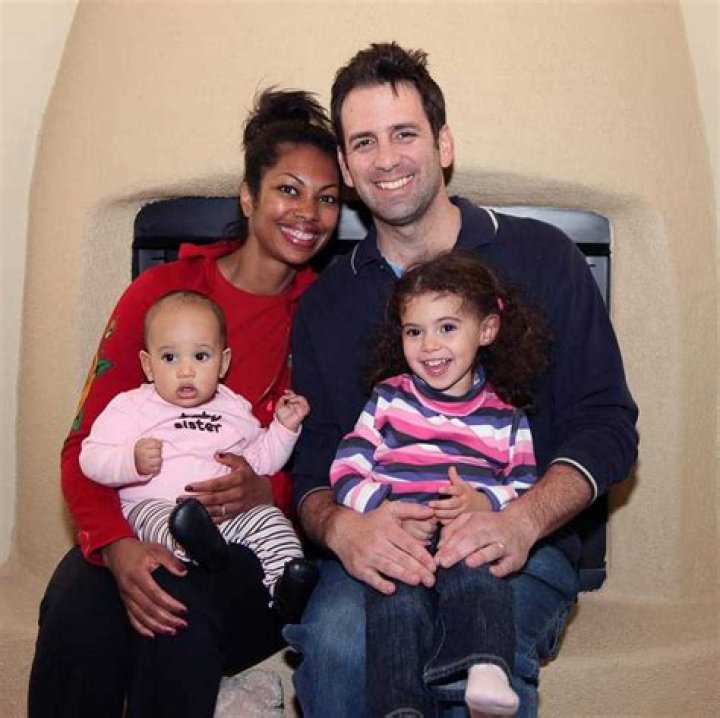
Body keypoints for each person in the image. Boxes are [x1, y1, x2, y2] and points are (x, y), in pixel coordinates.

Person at [284, 42, 639, 717]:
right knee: (338, 650)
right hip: (380, 540)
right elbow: (313, 460)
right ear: (347, 170)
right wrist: (342, 528)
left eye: (404, 133)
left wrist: (522, 519)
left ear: (443, 144)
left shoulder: (544, 257)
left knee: (474, 664)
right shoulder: (328, 302)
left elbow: (608, 424)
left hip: (516, 538)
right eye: (363, 142)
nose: (386, 159)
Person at [28, 88, 340, 718]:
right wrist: (116, 545)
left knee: (180, 610)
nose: (308, 212)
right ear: (248, 197)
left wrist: (267, 489)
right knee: (76, 606)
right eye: (288, 189)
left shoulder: (326, 314)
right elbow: (86, 445)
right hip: (143, 514)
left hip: (253, 545)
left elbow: (336, 459)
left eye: (328, 198)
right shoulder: (162, 293)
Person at [330, 252, 551, 716]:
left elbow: (524, 484)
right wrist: (382, 508)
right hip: (400, 540)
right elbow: (347, 467)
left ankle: (485, 670)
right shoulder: (389, 398)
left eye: (447, 327)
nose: (429, 345)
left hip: (463, 535)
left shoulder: (505, 416)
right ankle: (400, 707)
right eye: (414, 331)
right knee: (396, 606)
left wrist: (484, 501)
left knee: (480, 571)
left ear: (486, 330)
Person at [80, 290, 317, 620]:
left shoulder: (234, 408)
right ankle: (199, 547)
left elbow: (261, 461)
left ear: (224, 362)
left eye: (201, 356)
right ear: (148, 366)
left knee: (271, 521)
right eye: (170, 358)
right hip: (154, 505)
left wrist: (284, 427)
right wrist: (131, 462)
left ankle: (286, 588)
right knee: (168, 524)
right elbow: (90, 457)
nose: (186, 371)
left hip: (225, 515)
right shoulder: (131, 406)